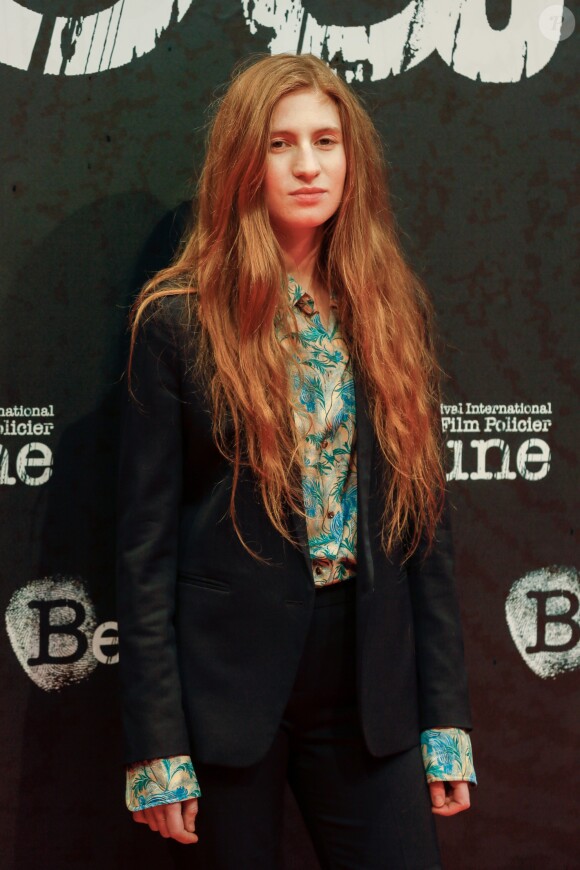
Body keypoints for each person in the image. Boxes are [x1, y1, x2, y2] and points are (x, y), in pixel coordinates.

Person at [117, 53, 476, 870]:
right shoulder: (176, 320)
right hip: (224, 688)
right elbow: (143, 554)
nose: (309, 165)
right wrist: (157, 745)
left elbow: (425, 531)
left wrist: (444, 717)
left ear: (355, 158)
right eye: (282, 144)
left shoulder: (389, 311)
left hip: (367, 684)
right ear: (245, 159)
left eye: (326, 140)